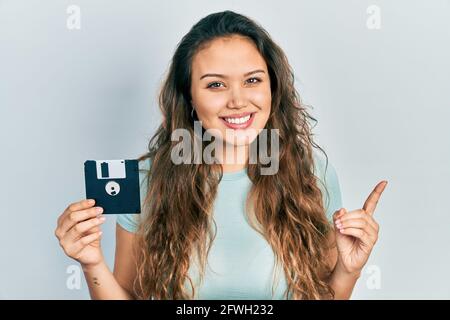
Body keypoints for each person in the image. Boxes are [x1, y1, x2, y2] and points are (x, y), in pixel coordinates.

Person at [54, 10, 387, 300]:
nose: (238, 100)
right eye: (215, 85)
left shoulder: (312, 171)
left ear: (272, 87)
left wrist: (349, 270)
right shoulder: (144, 181)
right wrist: (91, 263)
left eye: (252, 80)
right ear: (189, 98)